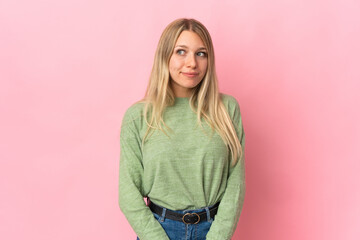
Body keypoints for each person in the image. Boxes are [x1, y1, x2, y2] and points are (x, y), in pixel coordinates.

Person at [119, 18, 246, 240]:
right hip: (158, 231)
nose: (192, 63)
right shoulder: (139, 116)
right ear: (165, 56)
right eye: (181, 52)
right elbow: (127, 192)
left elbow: (235, 185)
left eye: (201, 53)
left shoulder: (226, 109)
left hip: (213, 230)